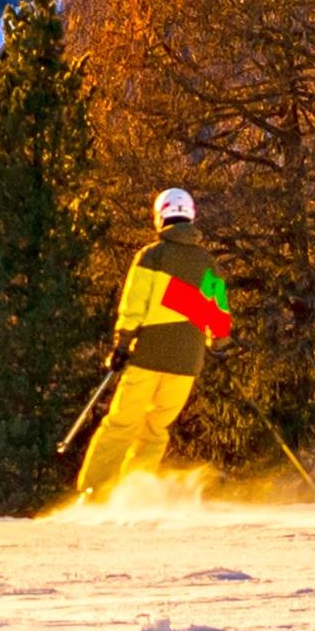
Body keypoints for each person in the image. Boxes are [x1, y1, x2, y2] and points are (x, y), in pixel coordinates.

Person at [69, 188, 234, 506]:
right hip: (186, 363)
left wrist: (122, 344)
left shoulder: (152, 256)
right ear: (191, 216)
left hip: (148, 357)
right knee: (156, 428)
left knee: (121, 423)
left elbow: (134, 304)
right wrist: (219, 341)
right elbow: (219, 313)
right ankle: (134, 493)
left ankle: (95, 491)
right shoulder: (208, 262)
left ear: (161, 216)